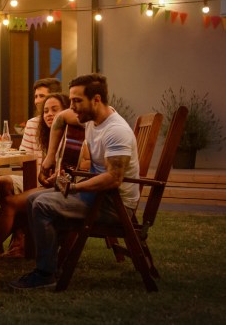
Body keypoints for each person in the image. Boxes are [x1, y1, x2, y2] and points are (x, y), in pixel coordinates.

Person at [9, 73, 139, 289]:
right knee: (33, 199)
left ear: (96, 99)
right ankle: (50, 265)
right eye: (71, 100)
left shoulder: (116, 131)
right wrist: (50, 157)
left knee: (42, 205)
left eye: (77, 101)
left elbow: (114, 178)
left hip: (113, 205)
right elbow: (60, 119)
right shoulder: (89, 117)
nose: (72, 107)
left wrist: (73, 187)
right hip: (95, 195)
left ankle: (45, 273)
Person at [0, 93, 70, 257]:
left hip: (66, 190)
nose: (49, 114)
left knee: (10, 204)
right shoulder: (45, 134)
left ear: (67, 112)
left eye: (54, 110)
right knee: (3, 183)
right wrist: (45, 176)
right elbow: (34, 163)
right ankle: (17, 242)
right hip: (51, 185)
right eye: (46, 111)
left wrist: (52, 178)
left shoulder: (72, 137)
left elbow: (69, 174)